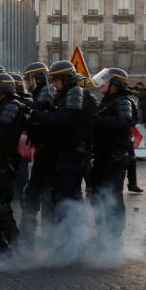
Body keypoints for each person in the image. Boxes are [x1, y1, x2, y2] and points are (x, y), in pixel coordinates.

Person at [29, 61, 94, 217]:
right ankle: (67, 233)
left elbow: (63, 119)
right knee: (63, 193)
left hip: (75, 152)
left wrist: (35, 113)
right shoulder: (65, 94)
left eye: (57, 80)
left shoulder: (75, 92)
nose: (55, 84)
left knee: (68, 194)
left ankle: (73, 235)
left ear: (66, 78)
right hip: (66, 151)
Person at [88, 68, 133, 243]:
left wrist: (96, 121)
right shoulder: (106, 101)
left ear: (117, 84)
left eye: (106, 81)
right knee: (97, 197)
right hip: (101, 157)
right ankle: (102, 234)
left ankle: (114, 237)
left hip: (115, 158)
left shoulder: (122, 102)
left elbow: (123, 122)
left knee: (112, 198)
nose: (102, 84)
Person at [0, 73, 28, 250]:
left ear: (2, 89)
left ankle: (16, 243)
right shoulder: (2, 104)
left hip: (7, 161)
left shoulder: (12, 106)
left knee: (1, 205)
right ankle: (2, 241)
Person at [19, 62, 56, 243]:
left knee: (38, 192)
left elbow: (39, 110)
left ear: (37, 78)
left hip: (48, 150)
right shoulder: (38, 93)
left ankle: (33, 236)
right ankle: (37, 234)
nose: (26, 82)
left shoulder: (46, 93)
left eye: (28, 78)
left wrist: (26, 105)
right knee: (37, 192)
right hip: (43, 149)